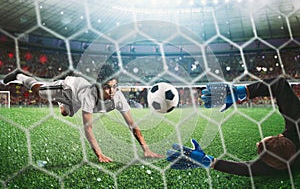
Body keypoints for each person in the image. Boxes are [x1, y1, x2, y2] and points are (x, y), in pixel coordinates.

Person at [3, 64, 163, 162]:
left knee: (65, 113)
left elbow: (132, 126)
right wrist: (99, 154)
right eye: (107, 87)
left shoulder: (118, 96)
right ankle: (20, 75)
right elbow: (88, 128)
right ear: (99, 86)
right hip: (68, 89)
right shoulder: (90, 95)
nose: (112, 91)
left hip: (76, 100)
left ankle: (62, 104)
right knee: (39, 91)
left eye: (114, 86)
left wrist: (146, 149)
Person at [167, 76, 300, 176]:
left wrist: (209, 161)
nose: (257, 143)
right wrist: (241, 92)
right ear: (279, 136)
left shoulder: (277, 164)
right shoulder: (296, 123)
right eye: (261, 143)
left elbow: (246, 170)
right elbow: (247, 169)